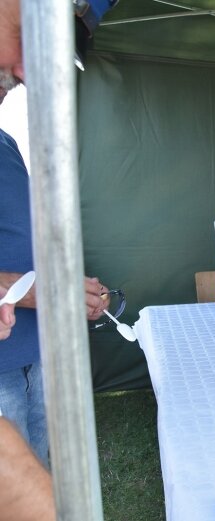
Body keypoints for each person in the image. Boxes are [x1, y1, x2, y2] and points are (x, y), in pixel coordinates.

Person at [0, 75, 112, 465]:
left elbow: (23, 236)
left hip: (38, 345)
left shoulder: (5, 143)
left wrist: (73, 290)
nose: (17, 78)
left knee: (40, 471)